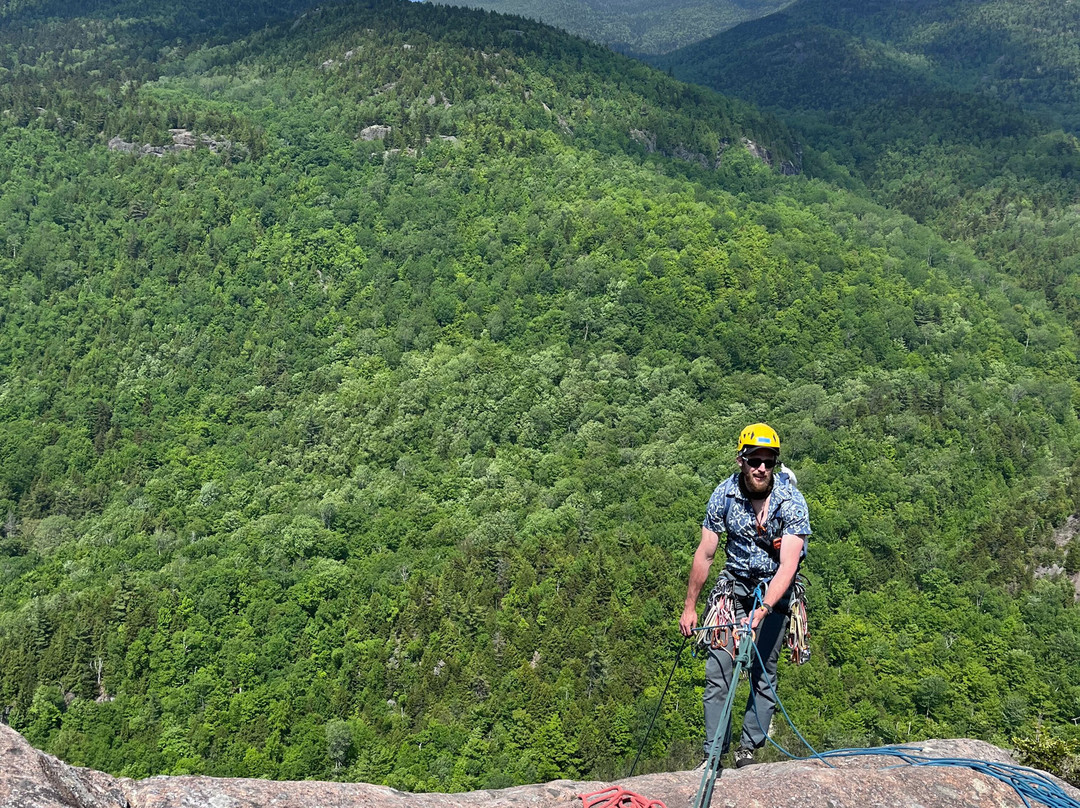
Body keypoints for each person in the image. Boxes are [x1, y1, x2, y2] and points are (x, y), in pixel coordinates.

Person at [678, 422, 810, 769]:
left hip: (773, 591)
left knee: (763, 671)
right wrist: (690, 607)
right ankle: (713, 752)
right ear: (742, 460)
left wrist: (762, 611)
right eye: (754, 460)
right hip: (734, 584)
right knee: (719, 669)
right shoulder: (724, 495)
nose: (761, 468)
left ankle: (748, 748)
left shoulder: (791, 502)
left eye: (768, 461)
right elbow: (706, 552)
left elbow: (789, 566)